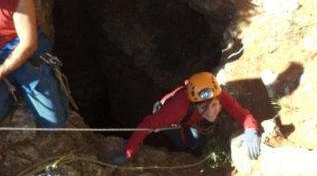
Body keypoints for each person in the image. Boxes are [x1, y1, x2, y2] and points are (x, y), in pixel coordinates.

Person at [110, 71, 263, 165]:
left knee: (198, 135)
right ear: (194, 103)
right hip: (172, 122)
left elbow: (241, 113)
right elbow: (148, 123)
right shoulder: (177, 108)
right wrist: (128, 152)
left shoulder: (220, 95)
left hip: (191, 118)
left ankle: (193, 147)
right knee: (185, 141)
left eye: (215, 105)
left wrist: (251, 130)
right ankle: (184, 152)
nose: (211, 112)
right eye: (204, 107)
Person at [0, 0, 69, 127]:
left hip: (23, 47)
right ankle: (11, 92)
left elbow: (28, 44)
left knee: (53, 124)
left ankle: (43, 80)